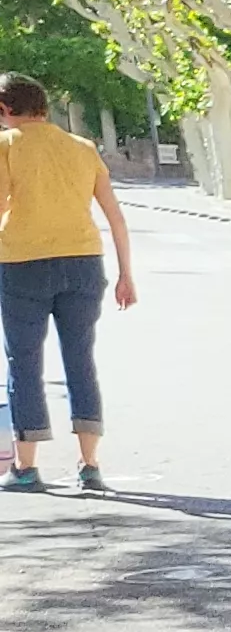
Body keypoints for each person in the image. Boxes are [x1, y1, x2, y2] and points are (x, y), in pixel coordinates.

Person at [0, 72, 135, 495]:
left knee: (24, 362)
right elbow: (114, 214)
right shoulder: (81, 147)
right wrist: (126, 274)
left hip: (21, 264)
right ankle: (89, 465)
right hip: (83, 263)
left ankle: (25, 467)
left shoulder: (5, 146)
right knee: (81, 359)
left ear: (5, 110)